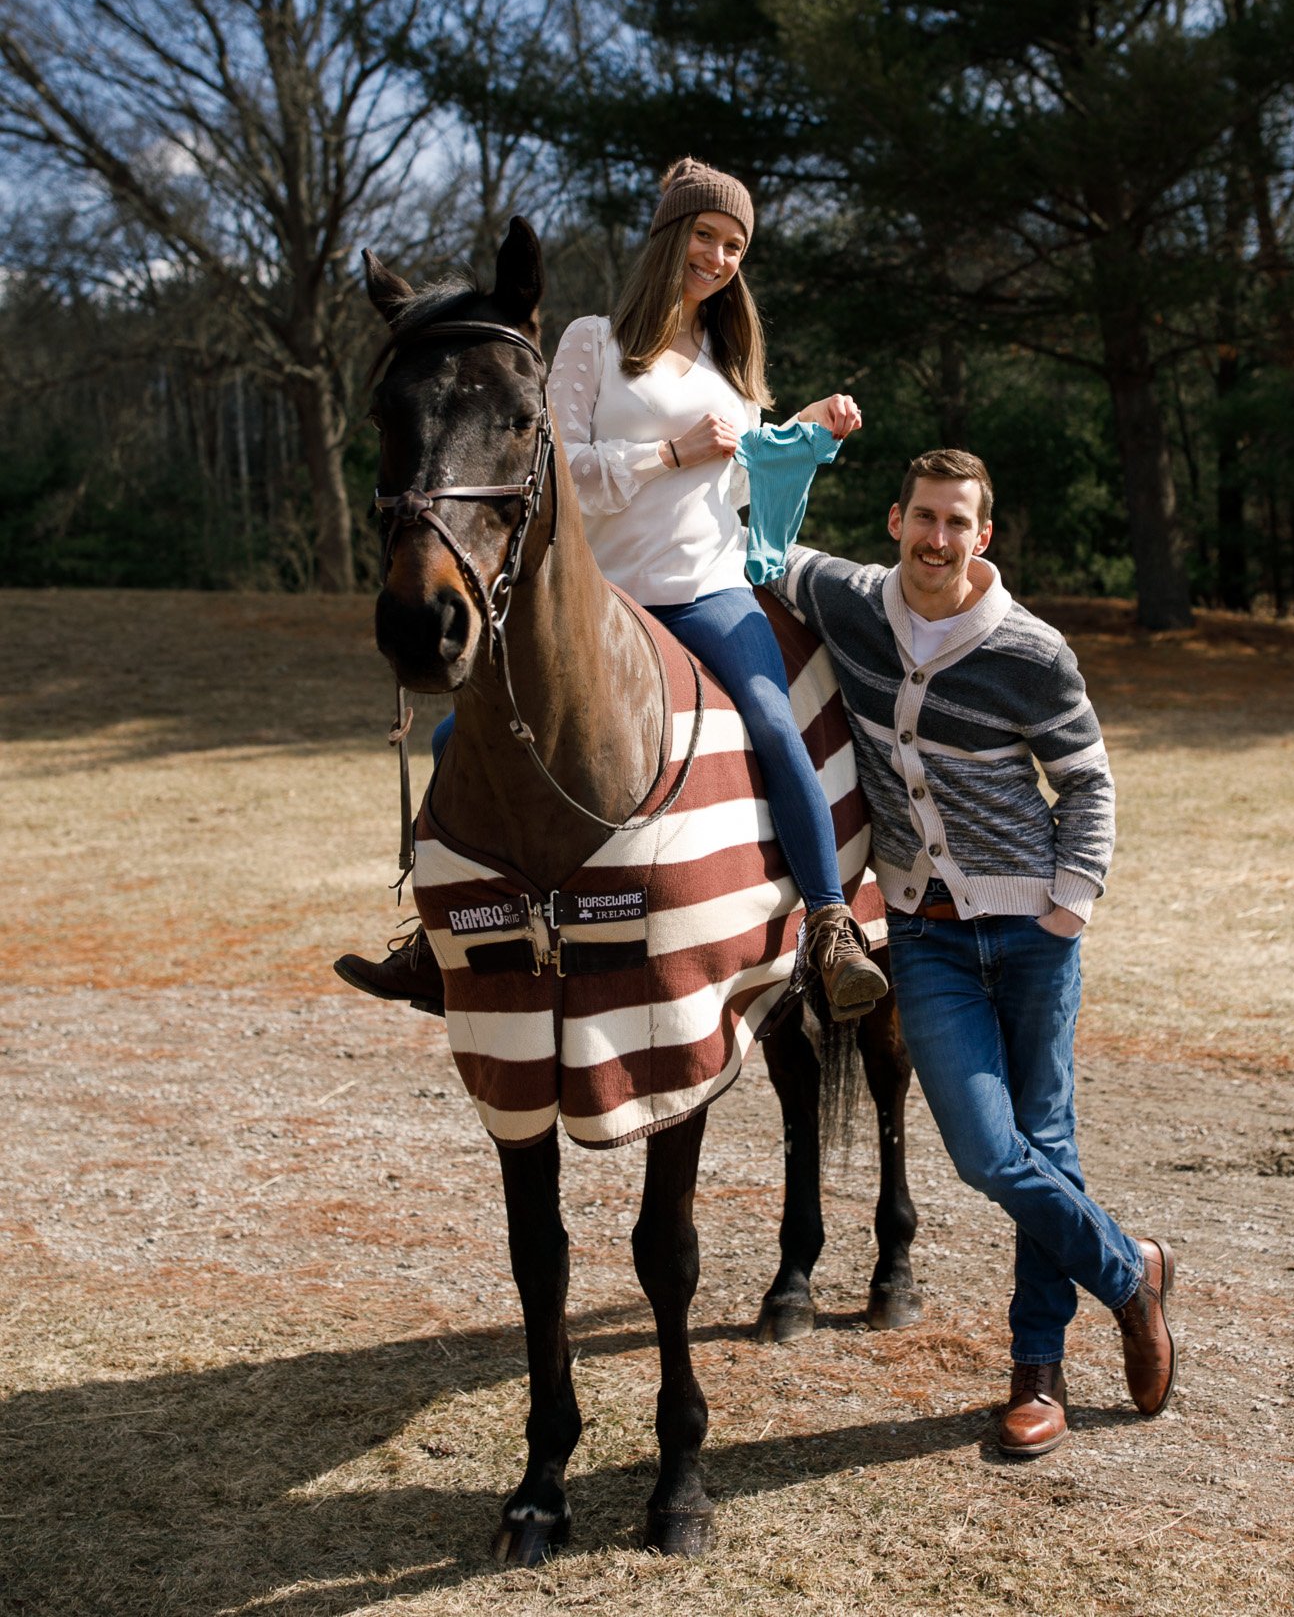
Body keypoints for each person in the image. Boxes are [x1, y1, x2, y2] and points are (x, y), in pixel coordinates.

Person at [336, 158, 889, 1023]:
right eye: (704, 234)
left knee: (775, 722)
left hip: (704, 587)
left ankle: (827, 924)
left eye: (734, 244)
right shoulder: (592, 341)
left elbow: (735, 490)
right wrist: (666, 455)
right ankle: (437, 941)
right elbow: (557, 474)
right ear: (670, 236)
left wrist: (800, 434)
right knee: (455, 739)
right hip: (605, 593)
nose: (717, 255)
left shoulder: (732, 359)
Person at [766, 448, 1175, 1454]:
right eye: (923, 518)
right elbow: (757, 550)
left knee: (1049, 1144)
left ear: (981, 537)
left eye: (958, 523)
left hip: (1033, 934)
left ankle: (1037, 1373)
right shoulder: (855, 602)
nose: (937, 538)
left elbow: (1088, 782)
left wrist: (1068, 907)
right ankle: (1132, 1272)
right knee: (989, 1154)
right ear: (896, 521)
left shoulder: (1029, 650)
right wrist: (785, 439)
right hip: (926, 940)